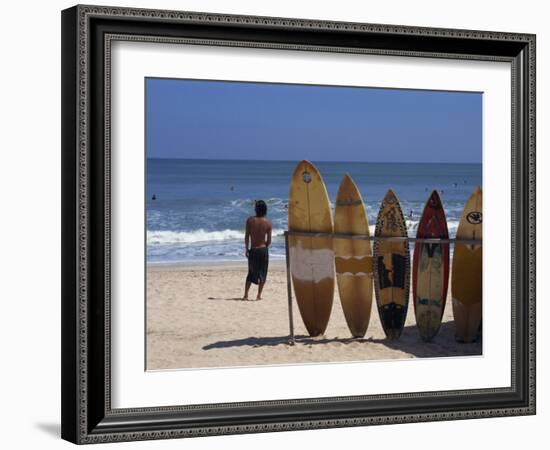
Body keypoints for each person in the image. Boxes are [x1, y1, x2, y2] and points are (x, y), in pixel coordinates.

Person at [243, 200, 272, 300]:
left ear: (256, 209)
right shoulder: (268, 223)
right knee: (263, 273)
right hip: (263, 250)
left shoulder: (250, 220)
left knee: (250, 273)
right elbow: (269, 241)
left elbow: (247, 236)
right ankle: (259, 295)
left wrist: (247, 249)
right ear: (265, 210)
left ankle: (246, 295)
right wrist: (265, 248)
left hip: (254, 250)